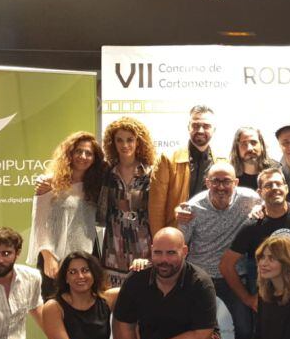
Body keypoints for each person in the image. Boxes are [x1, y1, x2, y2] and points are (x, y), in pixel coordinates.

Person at [179, 161, 262, 339]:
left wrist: (262, 210)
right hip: (199, 277)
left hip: (233, 277)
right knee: (191, 329)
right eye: (215, 181)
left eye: (226, 181)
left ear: (236, 182)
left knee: (245, 329)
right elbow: (180, 243)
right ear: (207, 183)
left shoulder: (251, 200)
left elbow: (275, 207)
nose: (221, 187)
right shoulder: (192, 209)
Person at [221, 168, 290, 311]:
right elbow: (226, 265)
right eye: (268, 185)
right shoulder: (253, 225)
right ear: (260, 192)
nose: (275, 188)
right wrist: (248, 299)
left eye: (278, 184)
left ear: (286, 188)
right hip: (269, 302)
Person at [27, 131, 107, 298]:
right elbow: (39, 223)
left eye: (89, 153)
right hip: (54, 255)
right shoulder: (50, 182)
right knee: (54, 308)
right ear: (69, 153)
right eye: (78, 151)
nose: (83, 156)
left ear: (95, 158)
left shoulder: (96, 186)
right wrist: (48, 256)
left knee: (85, 307)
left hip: (86, 256)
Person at [98, 116, 156, 287]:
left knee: (143, 298)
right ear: (112, 143)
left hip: (143, 245)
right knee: (114, 302)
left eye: (130, 140)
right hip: (113, 246)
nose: (125, 145)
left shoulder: (151, 173)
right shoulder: (106, 172)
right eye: (119, 140)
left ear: (139, 142)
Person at [149, 105, 217, 235]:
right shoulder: (167, 159)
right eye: (195, 125)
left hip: (209, 239)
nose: (201, 130)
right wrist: (159, 242)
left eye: (206, 126)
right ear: (188, 128)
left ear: (214, 129)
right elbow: (156, 209)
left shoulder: (222, 162)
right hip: (175, 236)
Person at [228, 126, 290, 200]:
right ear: (237, 148)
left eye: (253, 142)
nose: (249, 148)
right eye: (244, 144)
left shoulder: (278, 169)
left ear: (262, 145)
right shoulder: (230, 176)